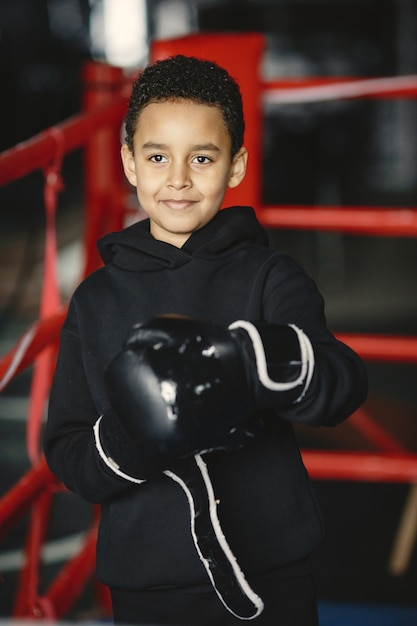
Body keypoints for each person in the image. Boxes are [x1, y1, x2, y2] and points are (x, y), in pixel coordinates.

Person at [44, 54, 368, 625]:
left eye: (202, 157)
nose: (177, 179)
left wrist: (246, 360)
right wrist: (136, 433)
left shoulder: (270, 277)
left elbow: (342, 385)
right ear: (129, 162)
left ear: (236, 165)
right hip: (148, 579)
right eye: (157, 156)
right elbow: (70, 454)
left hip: (273, 568)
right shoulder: (95, 301)